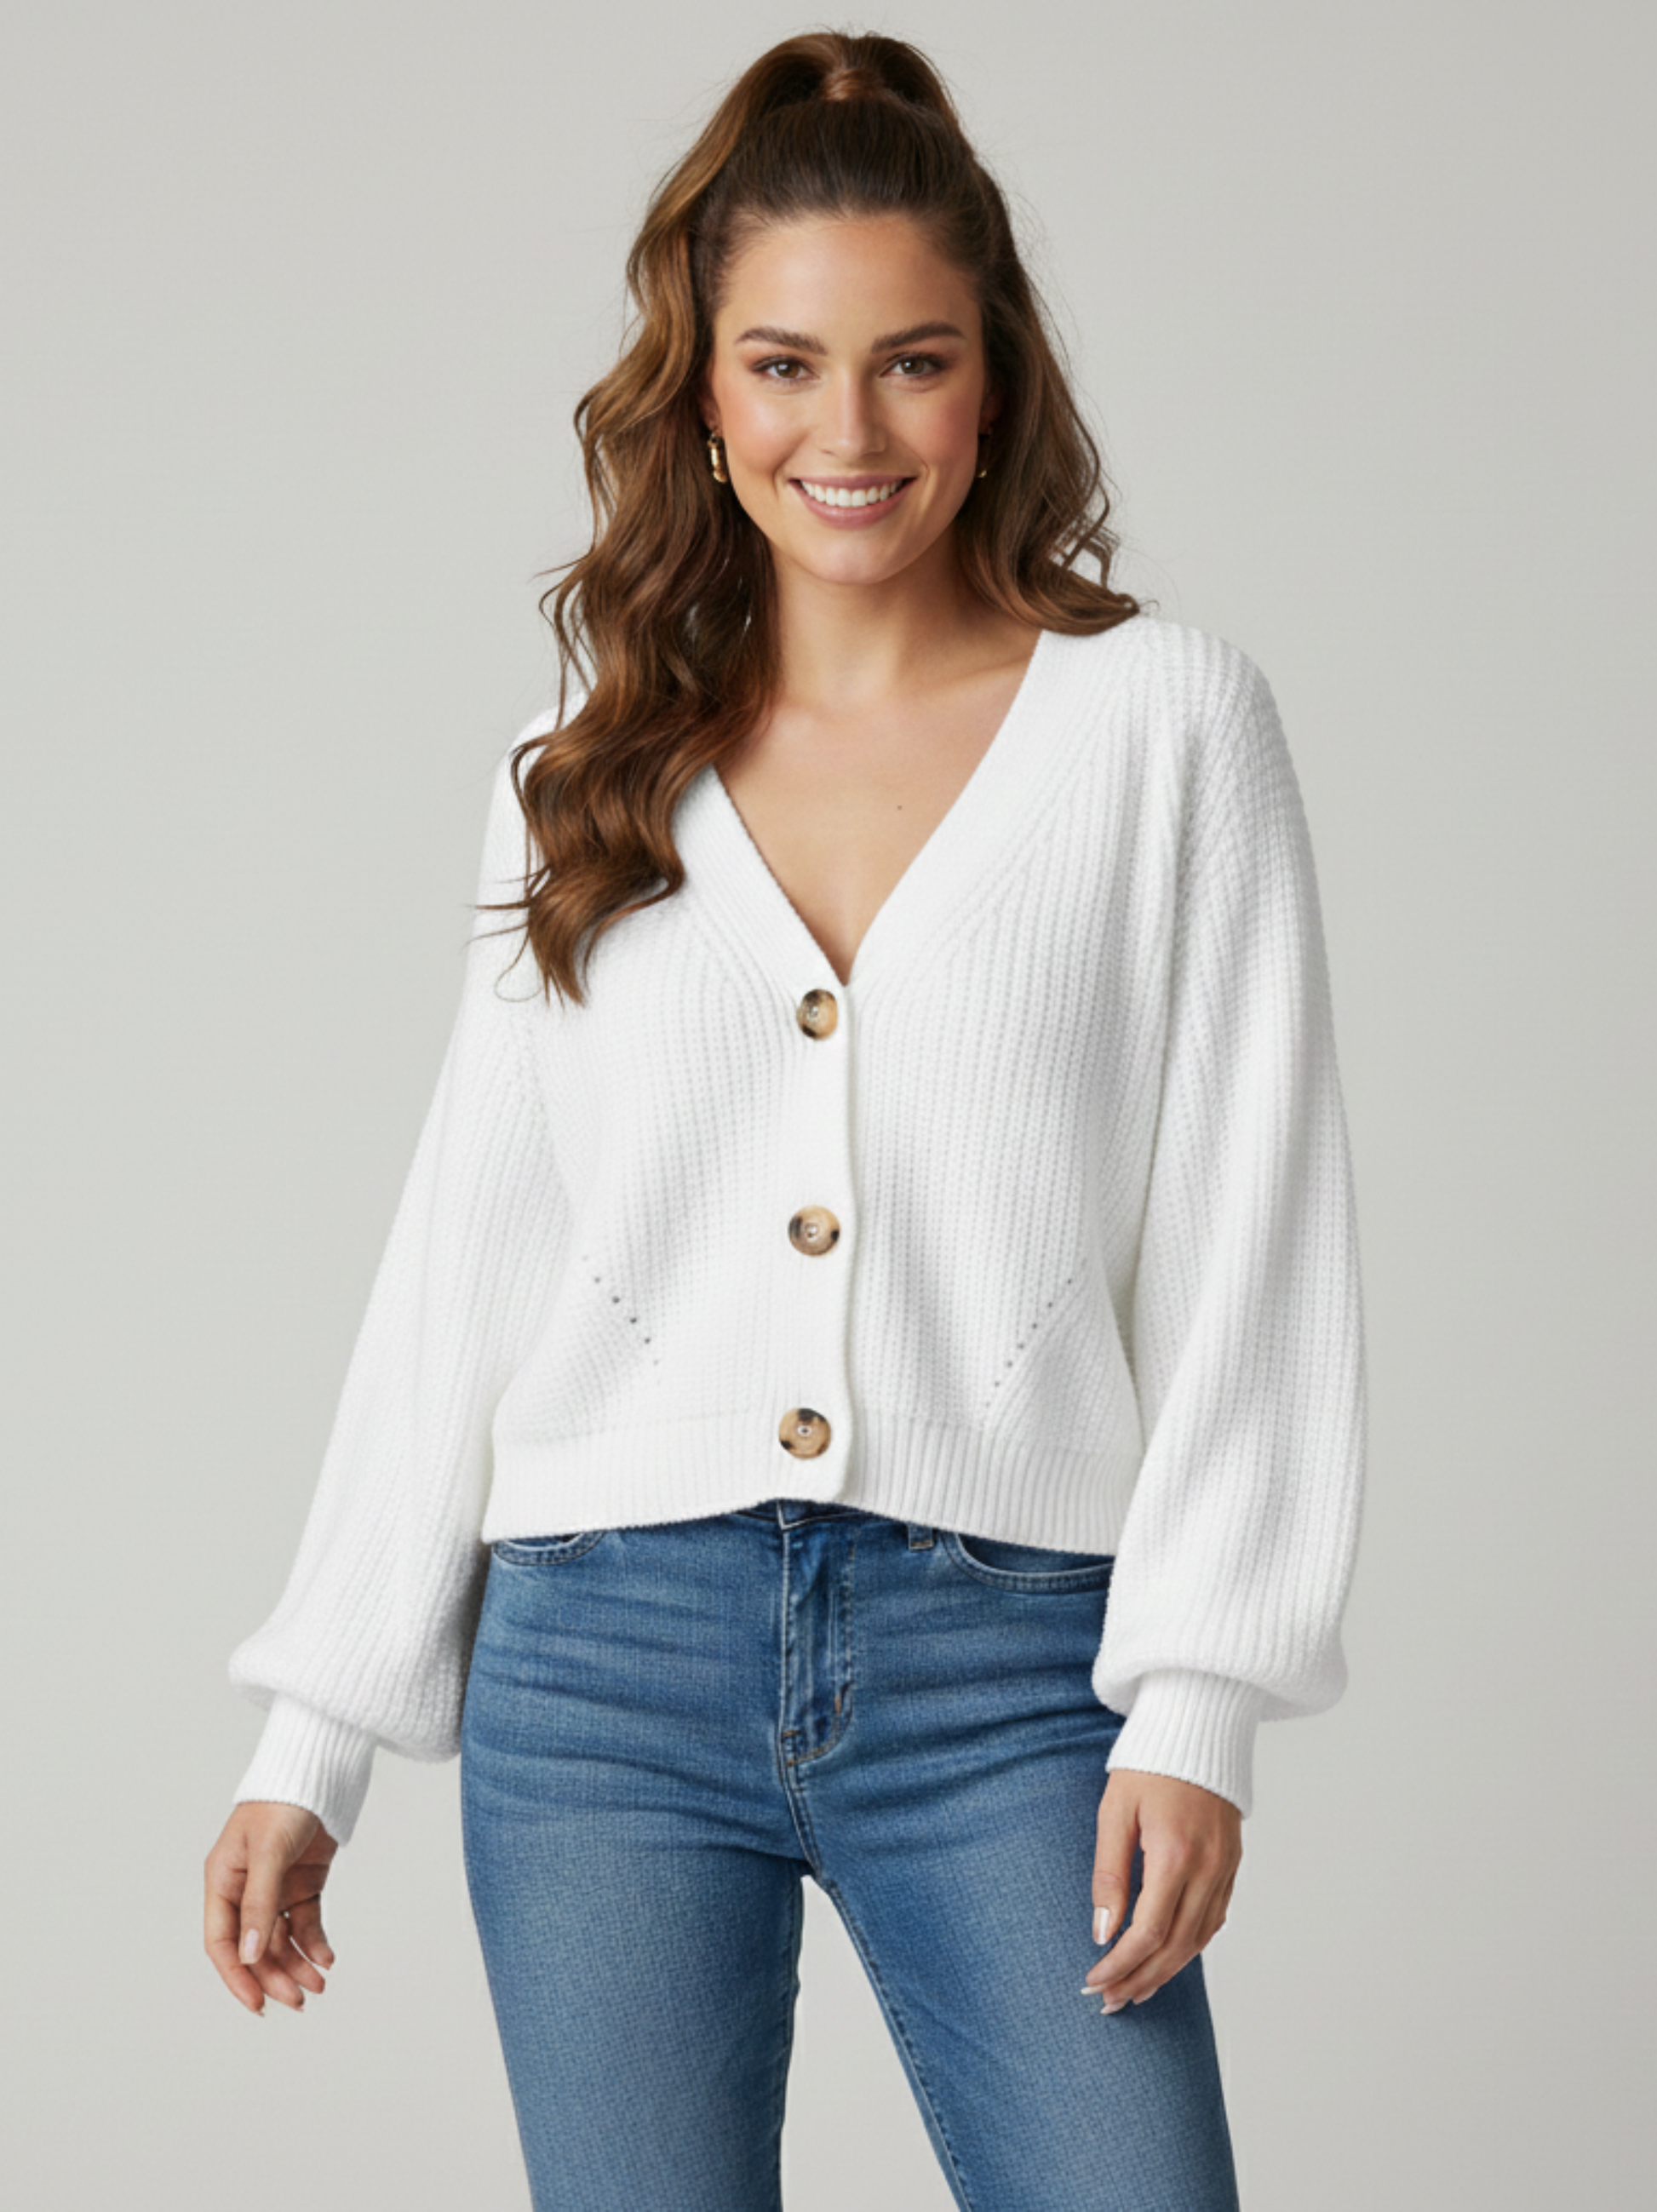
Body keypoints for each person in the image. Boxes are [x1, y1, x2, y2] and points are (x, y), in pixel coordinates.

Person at [203, 29, 1366, 2212]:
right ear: (707, 395)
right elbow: (470, 1246)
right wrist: (314, 1731)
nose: (849, 432)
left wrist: (1198, 1696)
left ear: (993, 382)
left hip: (1006, 1663)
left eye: (913, 363)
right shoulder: (583, 761)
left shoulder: (1163, 728)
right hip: (599, 1670)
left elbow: (1255, 1226)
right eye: (784, 366)